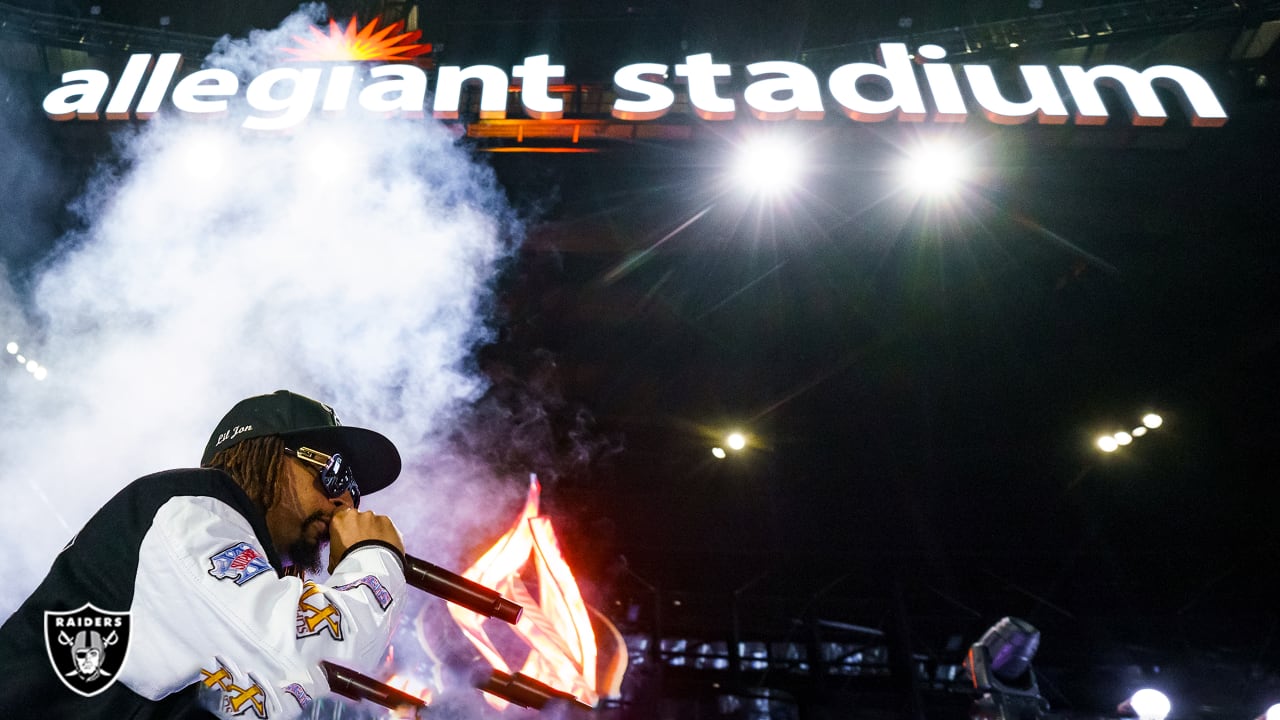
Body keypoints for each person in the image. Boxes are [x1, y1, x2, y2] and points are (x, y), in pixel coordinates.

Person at [0, 389, 408, 719]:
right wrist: (373, 554)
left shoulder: (216, 588)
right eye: (333, 471)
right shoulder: (192, 512)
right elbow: (316, 646)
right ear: (264, 454)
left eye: (353, 489)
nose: (345, 502)